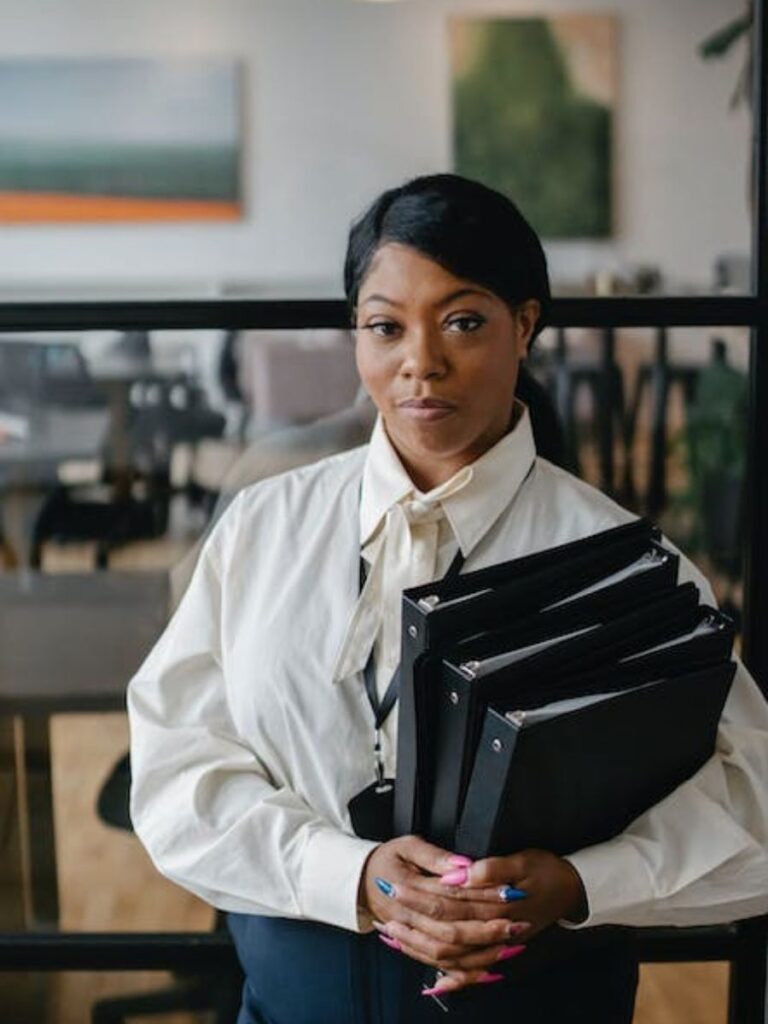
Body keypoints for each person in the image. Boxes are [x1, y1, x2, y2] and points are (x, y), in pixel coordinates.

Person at [128, 174, 768, 1024]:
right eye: (385, 327)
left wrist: (580, 882)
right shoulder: (263, 529)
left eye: (463, 321)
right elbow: (175, 769)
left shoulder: (627, 563)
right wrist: (350, 875)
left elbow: (751, 800)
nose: (419, 363)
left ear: (526, 324)